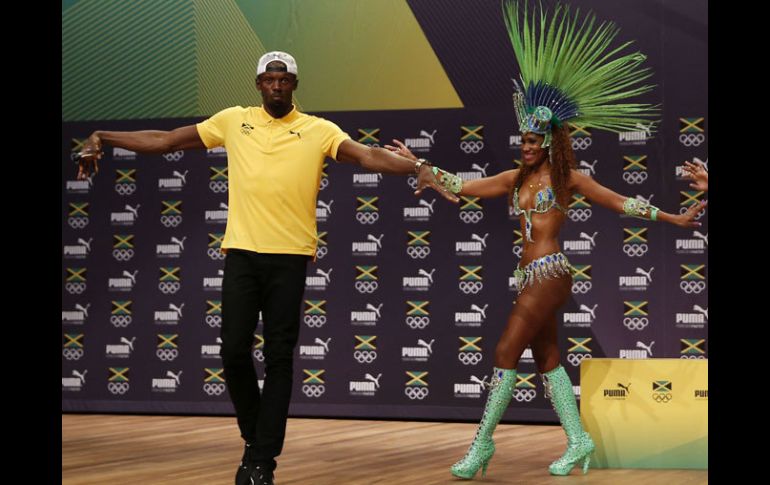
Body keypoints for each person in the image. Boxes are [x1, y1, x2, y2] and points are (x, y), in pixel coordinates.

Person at [73, 51, 456, 485]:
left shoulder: (318, 129)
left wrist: (418, 167)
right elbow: (166, 140)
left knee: (278, 358)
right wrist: (102, 135)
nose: (277, 85)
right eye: (270, 79)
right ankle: (256, 440)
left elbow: (367, 156)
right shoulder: (233, 120)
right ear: (258, 84)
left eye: (284, 79)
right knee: (233, 351)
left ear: (294, 84)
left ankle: (261, 461)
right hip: (242, 253)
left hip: (289, 257)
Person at [388, 1, 706, 479]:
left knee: (504, 352)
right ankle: (578, 440)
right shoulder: (515, 178)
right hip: (526, 276)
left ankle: (481, 446)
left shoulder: (567, 178)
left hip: (551, 272)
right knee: (548, 359)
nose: (526, 147)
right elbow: (462, 186)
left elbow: (619, 201)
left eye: (534, 142)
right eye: (523, 141)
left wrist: (672, 217)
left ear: (551, 141)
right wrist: (418, 165)